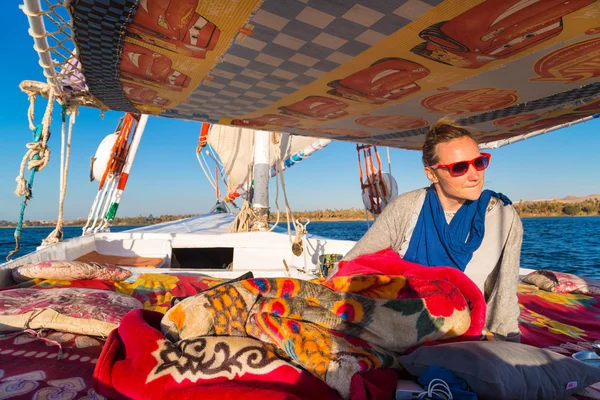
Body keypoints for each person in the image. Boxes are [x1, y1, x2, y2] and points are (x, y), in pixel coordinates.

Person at [343, 119, 523, 342]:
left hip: (466, 332)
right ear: (431, 174)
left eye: (479, 162)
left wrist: (507, 347)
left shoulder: (504, 217)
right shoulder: (407, 209)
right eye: (459, 167)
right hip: (400, 329)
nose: (475, 175)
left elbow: (502, 297)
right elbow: (351, 268)